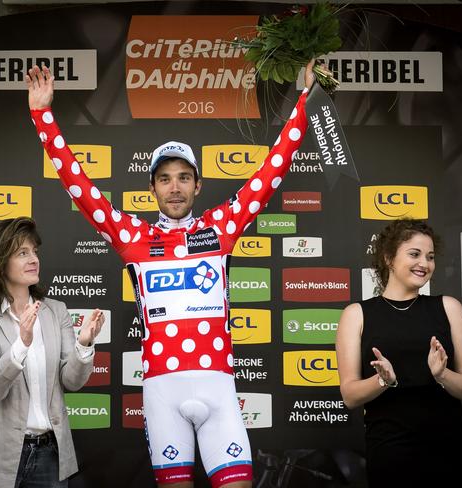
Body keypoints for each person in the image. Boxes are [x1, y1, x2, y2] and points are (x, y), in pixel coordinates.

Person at [26, 61, 315, 488]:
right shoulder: (132, 236)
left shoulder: (220, 228)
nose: (175, 187)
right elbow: (78, 184)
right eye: (165, 179)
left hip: (217, 388)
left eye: (183, 177)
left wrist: (305, 99)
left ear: (198, 185)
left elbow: (272, 170)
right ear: (153, 188)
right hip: (163, 392)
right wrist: (42, 116)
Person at [0, 217, 104, 488]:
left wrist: (84, 345)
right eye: (22, 253)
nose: (33, 259)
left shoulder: (55, 310)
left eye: (34, 252)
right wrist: (22, 344)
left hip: (50, 456)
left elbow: (72, 381)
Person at [336, 218, 462, 487]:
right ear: (389, 258)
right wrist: (382, 381)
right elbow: (350, 395)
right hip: (390, 452)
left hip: (448, 450)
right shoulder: (357, 315)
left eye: (430, 256)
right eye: (414, 254)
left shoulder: (449, 308)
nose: (425, 263)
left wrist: (442, 374)